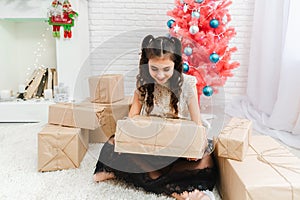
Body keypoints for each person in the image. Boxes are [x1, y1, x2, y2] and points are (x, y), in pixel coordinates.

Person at [93, 35, 217, 200]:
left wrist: (193, 146)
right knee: (113, 143)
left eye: (166, 69)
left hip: (177, 149)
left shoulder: (187, 84)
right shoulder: (143, 83)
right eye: (154, 69)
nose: (160, 75)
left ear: (176, 65)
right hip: (150, 147)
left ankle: (155, 178)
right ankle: (174, 189)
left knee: (207, 160)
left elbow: (197, 124)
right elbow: (133, 119)